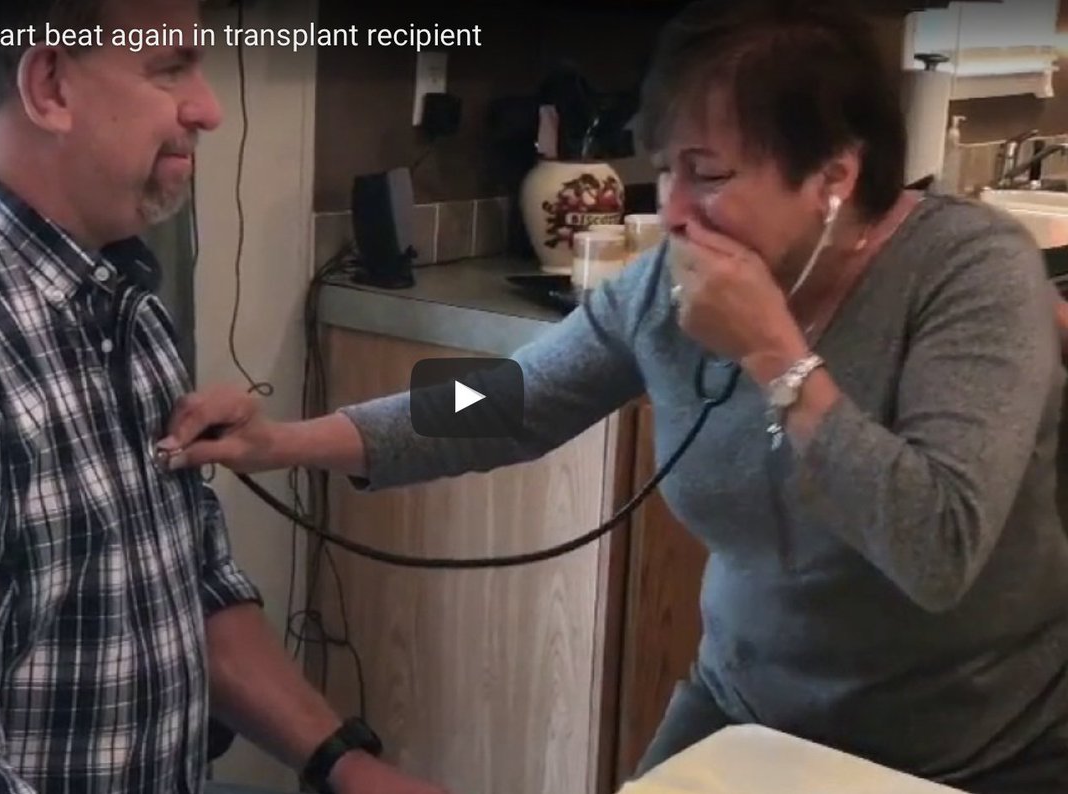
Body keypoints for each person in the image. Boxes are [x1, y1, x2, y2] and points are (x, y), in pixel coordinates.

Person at [158, 1, 1068, 792]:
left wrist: (775, 357)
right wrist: (285, 442)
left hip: (974, 748)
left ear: (834, 175)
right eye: (667, 169)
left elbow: (938, 547)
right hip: (749, 710)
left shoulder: (970, 273)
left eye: (710, 175)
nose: (672, 211)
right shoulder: (664, 287)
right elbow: (505, 398)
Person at [0, 2, 451, 793]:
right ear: (50, 85)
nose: (209, 109)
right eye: (171, 68)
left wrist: (344, 763)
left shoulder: (112, 289)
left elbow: (188, 585)